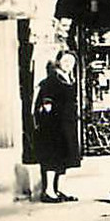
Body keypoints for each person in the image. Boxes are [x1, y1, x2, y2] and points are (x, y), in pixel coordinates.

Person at [31, 51, 81, 203]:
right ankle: (49, 192)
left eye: (71, 61)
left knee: (64, 159)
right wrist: (50, 121)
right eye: (65, 61)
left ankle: (59, 190)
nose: (68, 64)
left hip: (67, 125)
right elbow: (46, 105)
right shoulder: (51, 81)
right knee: (53, 159)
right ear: (58, 62)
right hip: (54, 127)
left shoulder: (69, 79)